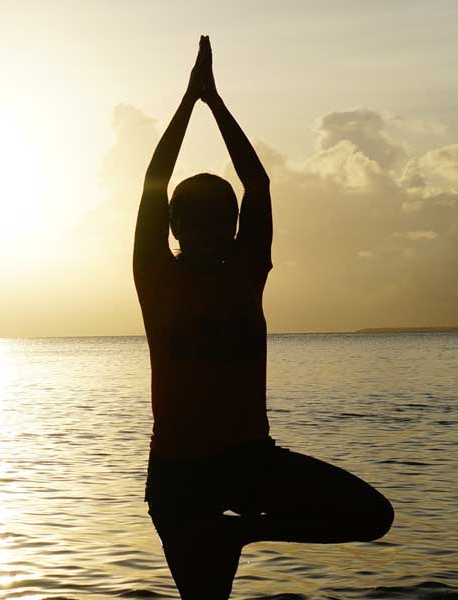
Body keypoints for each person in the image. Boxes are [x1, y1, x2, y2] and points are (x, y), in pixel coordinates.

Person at [135, 36, 394, 599]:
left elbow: (259, 184)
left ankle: (242, 535)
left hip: (249, 463)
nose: (209, 234)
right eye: (196, 224)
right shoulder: (157, 279)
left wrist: (214, 100)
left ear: (233, 228)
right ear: (177, 231)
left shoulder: (245, 273)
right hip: (179, 478)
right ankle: (229, 537)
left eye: (220, 223)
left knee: (372, 516)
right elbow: (154, 185)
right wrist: (188, 101)